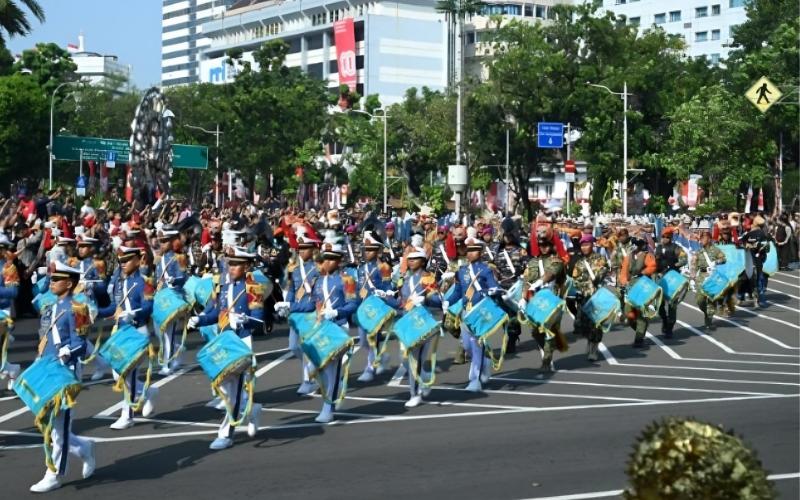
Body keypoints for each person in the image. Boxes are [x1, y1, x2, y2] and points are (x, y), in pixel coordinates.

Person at [29, 261, 96, 493]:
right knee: (51, 424)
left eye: (56, 279)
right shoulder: (50, 307)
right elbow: (44, 338)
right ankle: (84, 447)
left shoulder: (77, 309)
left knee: (58, 426)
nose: (52, 282)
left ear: (69, 283)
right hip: (48, 368)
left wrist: (69, 352)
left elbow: (81, 343)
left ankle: (54, 473)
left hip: (66, 371)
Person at [189, 247, 264, 449]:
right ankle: (252, 409)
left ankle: (226, 433)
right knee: (223, 386)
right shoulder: (222, 287)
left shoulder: (253, 288)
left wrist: (244, 320)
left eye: (236, 263)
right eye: (229, 263)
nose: (231, 267)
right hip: (224, 340)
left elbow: (260, 321)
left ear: (247, 266)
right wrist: (200, 319)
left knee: (235, 389)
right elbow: (215, 314)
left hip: (241, 340)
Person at [97, 246, 158, 430]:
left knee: (128, 373)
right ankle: (147, 391)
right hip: (122, 332)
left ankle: (128, 415)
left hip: (138, 331)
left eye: (127, 260)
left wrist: (134, 313)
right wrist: (96, 312)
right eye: (121, 261)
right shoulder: (118, 283)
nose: (123, 264)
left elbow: (149, 306)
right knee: (117, 373)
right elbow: (114, 308)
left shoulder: (144, 282)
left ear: (138, 261)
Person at [442, 232, 503, 393]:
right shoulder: (461, 271)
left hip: (479, 312)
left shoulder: (486, 270)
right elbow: (458, 291)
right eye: (468, 250)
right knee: (467, 346)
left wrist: (491, 291)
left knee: (476, 346)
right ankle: (485, 361)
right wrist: (448, 301)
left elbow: (493, 286)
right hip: (465, 312)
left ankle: (474, 380)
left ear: (480, 252)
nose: (470, 253)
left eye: (474, 250)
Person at [309, 235, 358, 423]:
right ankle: (331, 399)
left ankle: (328, 407)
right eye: (325, 258)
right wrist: (289, 307)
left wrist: (336, 312)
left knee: (333, 369)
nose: (326, 262)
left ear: (338, 261)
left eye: (330, 258)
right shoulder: (318, 281)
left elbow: (353, 304)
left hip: (338, 326)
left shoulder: (346, 280)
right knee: (318, 367)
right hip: (321, 327)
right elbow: (313, 304)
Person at [387, 243, 441, 407]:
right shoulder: (405, 279)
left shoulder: (428, 278)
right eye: (409, 259)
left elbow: (438, 300)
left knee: (414, 359)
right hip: (406, 322)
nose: (410, 262)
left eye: (414, 259)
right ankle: (424, 377)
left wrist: (425, 298)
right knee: (404, 358)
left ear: (423, 261)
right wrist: (386, 297)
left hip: (421, 322)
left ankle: (415, 393)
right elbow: (400, 302)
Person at [274, 228, 320, 395]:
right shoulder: (294, 269)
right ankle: (313, 369)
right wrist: (287, 304)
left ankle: (308, 380)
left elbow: (312, 300)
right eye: (300, 248)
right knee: (294, 346)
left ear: (313, 249)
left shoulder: (317, 269)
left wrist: (291, 306)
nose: (301, 251)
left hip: (309, 314)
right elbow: (292, 290)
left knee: (307, 347)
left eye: (305, 248)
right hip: (296, 313)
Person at [522, 236, 566, 372]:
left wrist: (537, 284)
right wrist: (523, 298)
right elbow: (526, 280)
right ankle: (548, 350)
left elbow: (550, 274)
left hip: (552, 299)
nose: (544, 248)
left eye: (547, 245)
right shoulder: (532, 262)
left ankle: (546, 360)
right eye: (541, 245)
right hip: (536, 300)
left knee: (549, 330)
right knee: (536, 332)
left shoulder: (556, 260)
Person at [355, 231, 394, 382]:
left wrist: (384, 294)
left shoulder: (383, 267)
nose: (366, 252)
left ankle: (369, 368)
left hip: (377, 308)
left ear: (378, 250)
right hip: (363, 308)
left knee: (372, 338)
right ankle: (381, 356)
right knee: (363, 340)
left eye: (370, 249)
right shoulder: (361, 269)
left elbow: (388, 286)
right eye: (365, 249)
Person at [154, 228, 188, 375]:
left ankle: (167, 364)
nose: (162, 244)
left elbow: (183, 277)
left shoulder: (178, 258)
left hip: (173, 297)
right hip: (160, 297)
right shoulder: (158, 259)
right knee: (158, 332)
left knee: (168, 333)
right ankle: (178, 349)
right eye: (161, 241)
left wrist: (174, 280)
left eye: (165, 241)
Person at [571, 235, 609, 361]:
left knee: (596, 324)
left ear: (592, 245)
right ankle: (590, 340)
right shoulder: (579, 262)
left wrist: (593, 280)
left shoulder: (600, 259)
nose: (584, 247)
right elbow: (575, 279)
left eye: (587, 245)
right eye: (582, 245)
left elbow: (601, 273)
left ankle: (594, 348)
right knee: (583, 324)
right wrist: (583, 285)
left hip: (597, 296)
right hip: (584, 297)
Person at [619, 237, 657, 348]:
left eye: (637, 243)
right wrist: (623, 281)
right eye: (633, 243)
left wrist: (643, 272)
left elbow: (652, 266)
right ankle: (639, 331)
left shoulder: (647, 255)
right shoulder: (629, 256)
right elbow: (624, 270)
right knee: (628, 312)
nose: (634, 245)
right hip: (631, 286)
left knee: (641, 313)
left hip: (643, 285)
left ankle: (639, 338)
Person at [493, 229, 527, 353]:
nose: (508, 237)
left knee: (513, 315)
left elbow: (528, 266)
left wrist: (522, 273)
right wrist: (495, 275)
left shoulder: (521, 251)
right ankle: (509, 335)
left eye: (510, 235)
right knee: (505, 315)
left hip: (516, 287)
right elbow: (493, 266)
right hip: (502, 287)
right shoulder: (499, 251)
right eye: (506, 235)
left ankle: (511, 339)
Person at [654, 227, 688, 338]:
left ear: (671, 238)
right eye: (663, 236)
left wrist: (675, 266)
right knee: (659, 304)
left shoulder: (676, 248)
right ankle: (664, 319)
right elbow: (654, 261)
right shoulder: (658, 248)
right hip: (660, 278)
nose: (665, 239)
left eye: (667, 237)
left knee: (672, 304)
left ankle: (670, 327)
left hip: (673, 278)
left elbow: (684, 259)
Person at [691, 227, 727, 330]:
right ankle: (707, 313)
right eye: (701, 238)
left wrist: (716, 262)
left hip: (712, 277)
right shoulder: (698, 252)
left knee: (711, 300)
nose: (701, 240)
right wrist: (692, 275)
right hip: (701, 277)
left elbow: (723, 258)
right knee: (700, 300)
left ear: (709, 239)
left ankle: (708, 321)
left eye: (703, 238)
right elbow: (694, 264)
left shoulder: (715, 250)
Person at [0, 234, 20, 388]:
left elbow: (13, 292)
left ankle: (11, 369)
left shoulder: (8, 268)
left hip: (2, 313)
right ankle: (12, 369)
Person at [742, 216, 770, 308]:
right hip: (755, 261)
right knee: (758, 280)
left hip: (751, 260)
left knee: (750, 279)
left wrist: (752, 246)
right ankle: (757, 299)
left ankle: (749, 298)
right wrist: (750, 245)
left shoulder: (751, 234)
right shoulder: (762, 234)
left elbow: (742, 243)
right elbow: (767, 248)